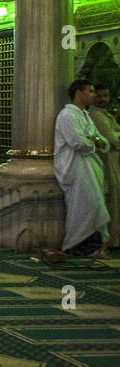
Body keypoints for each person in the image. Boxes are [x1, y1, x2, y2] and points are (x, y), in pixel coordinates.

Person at [54, 79, 110, 257]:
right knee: (84, 207)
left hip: (89, 167)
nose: (93, 95)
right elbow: (78, 142)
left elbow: (103, 142)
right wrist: (93, 141)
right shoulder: (66, 115)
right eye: (91, 91)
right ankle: (76, 245)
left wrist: (95, 141)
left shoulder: (85, 115)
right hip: (75, 168)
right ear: (79, 93)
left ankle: (91, 246)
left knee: (95, 206)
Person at [89, 85, 120, 254]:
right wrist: (114, 137)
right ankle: (109, 240)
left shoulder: (105, 115)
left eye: (105, 95)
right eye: (98, 96)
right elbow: (111, 139)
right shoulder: (94, 115)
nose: (102, 99)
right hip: (105, 162)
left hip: (113, 161)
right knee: (110, 199)